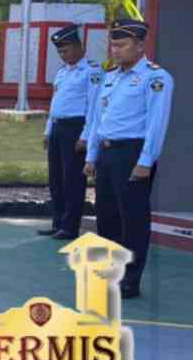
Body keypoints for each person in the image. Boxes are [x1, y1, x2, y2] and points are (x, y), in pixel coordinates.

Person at [84, 20, 176, 299]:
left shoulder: (155, 78)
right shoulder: (110, 77)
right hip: (107, 153)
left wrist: (146, 161)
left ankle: (130, 280)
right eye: (113, 44)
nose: (116, 50)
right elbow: (98, 119)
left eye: (122, 45)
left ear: (139, 45)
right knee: (107, 217)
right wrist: (92, 155)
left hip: (132, 154)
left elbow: (156, 124)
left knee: (132, 219)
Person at [38, 24, 102, 241]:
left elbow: (94, 107)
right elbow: (55, 103)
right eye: (60, 52)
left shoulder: (92, 71)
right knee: (55, 179)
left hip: (76, 128)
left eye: (66, 51)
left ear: (78, 46)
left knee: (72, 180)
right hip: (58, 127)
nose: (63, 56)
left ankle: (70, 226)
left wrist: (85, 136)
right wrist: (48, 130)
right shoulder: (62, 73)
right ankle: (57, 222)